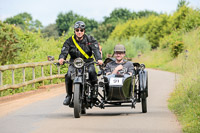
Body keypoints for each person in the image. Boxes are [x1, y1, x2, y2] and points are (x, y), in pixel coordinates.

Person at [58, 21, 103, 105]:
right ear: (74, 31)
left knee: (92, 72)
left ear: (84, 31)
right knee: (68, 75)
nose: (79, 32)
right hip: (74, 62)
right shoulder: (69, 41)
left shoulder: (90, 39)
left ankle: (94, 93)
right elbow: (64, 51)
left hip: (88, 62)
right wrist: (61, 58)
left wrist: (99, 59)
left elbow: (96, 50)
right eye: (77, 30)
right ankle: (69, 95)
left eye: (81, 30)